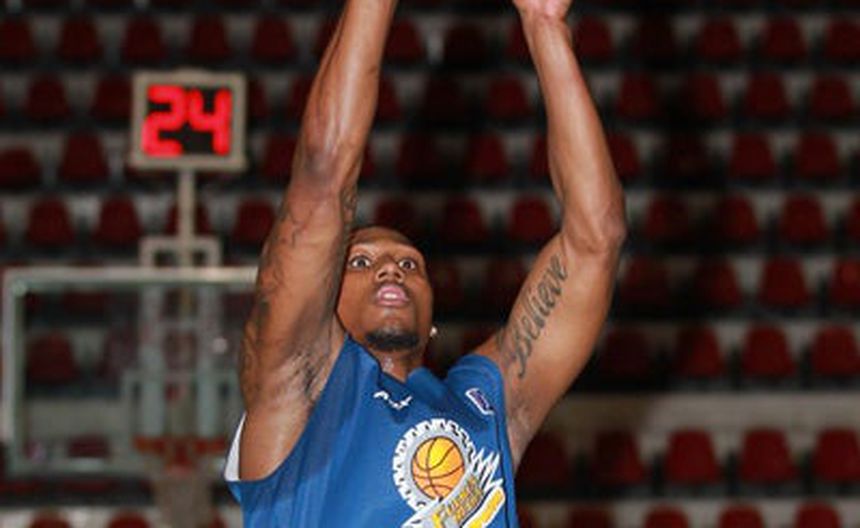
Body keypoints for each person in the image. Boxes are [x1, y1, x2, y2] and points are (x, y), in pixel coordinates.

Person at [223, 0, 626, 522]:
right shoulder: (297, 387)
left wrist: (544, 26)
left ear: (433, 318)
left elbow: (596, 239)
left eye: (411, 265)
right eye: (360, 262)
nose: (392, 269)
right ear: (322, 298)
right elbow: (323, 176)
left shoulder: (485, 405)